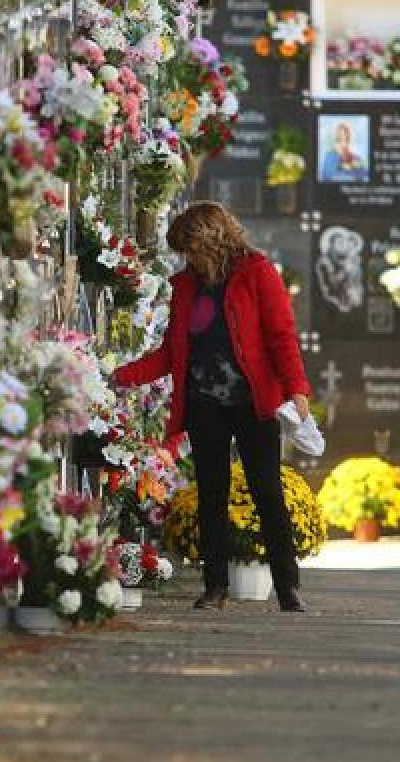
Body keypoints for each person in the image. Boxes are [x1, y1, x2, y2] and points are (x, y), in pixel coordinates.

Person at [112, 202, 312, 612]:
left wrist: (297, 389)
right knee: (211, 494)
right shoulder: (186, 286)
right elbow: (172, 352)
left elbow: (281, 336)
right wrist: (119, 377)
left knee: (266, 491)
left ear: (211, 240)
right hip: (205, 405)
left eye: (191, 249)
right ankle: (215, 586)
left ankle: (288, 586)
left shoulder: (257, 273)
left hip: (252, 402)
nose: (189, 260)